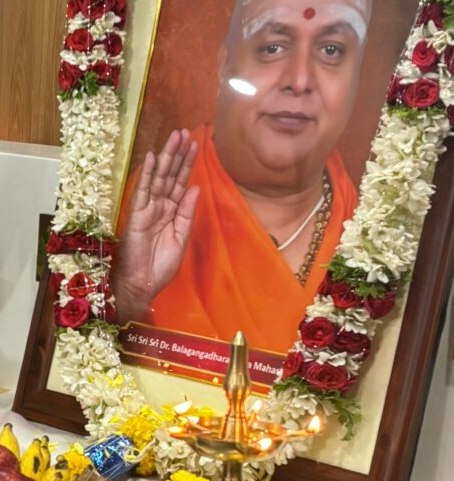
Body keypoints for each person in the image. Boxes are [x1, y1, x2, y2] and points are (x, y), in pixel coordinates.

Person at [114, 0, 370, 354]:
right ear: (224, 67)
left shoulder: (376, 230)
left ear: (357, 81)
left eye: (331, 50)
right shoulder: (143, 210)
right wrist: (128, 295)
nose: (299, 81)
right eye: (272, 48)